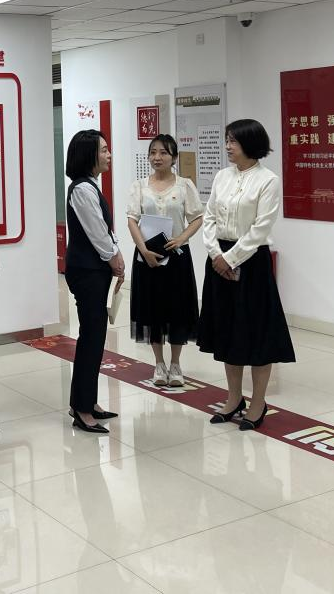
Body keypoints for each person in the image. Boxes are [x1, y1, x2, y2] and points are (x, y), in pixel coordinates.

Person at [197, 118, 295, 431]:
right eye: (227, 140)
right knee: (228, 330)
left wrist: (231, 258)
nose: (228, 146)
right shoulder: (222, 176)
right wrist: (216, 254)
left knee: (256, 333)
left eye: (233, 141)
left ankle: (258, 402)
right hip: (219, 259)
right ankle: (233, 397)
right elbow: (209, 218)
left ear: (250, 144)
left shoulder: (268, 180)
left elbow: (261, 228)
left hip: (251, 263)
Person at [126, 134, 203, 387]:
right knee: (152, 309)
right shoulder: (139, 186)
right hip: (147, 258)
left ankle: (176, 364)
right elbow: (132, 220)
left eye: (163, 153)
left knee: (178, 309)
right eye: (153, 152)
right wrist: (143, 250)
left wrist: (181, 238)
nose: (157, 157)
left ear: (174, 157)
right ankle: (159, 364)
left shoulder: (184, 186)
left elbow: (197, 218)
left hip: (177, 257)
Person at [63, 129, 125, 434]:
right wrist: (115, 258)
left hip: (92, 270)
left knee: (95, 337)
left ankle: (88, 401)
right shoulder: (82, 190)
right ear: (88, 155)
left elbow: (103, 229)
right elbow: (97, 233)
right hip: (87, 272)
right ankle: (82, 408)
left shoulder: (89, 186)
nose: (108, 155)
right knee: (91, 337)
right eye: (103, 150)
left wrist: (115, 252)